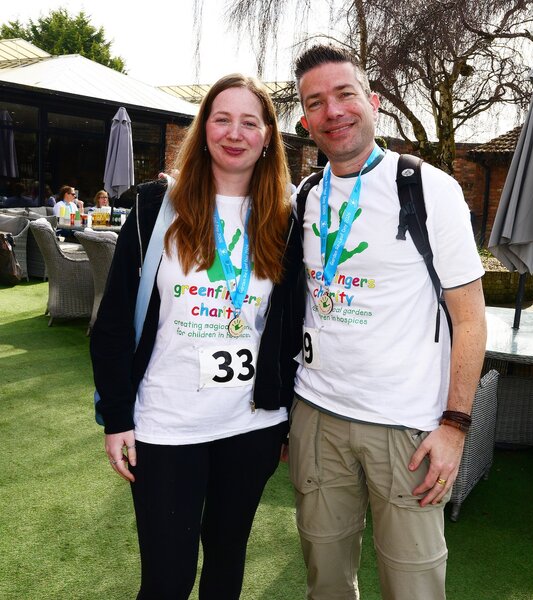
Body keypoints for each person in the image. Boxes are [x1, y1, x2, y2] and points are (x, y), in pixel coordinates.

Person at [90, 73, 301, 600]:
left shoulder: (287, 217)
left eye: (249, 122)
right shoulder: (154, 207)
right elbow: (112, 323)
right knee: (167, 579)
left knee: (226, 565)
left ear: (268, 136)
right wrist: (116, 418)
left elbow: (291, 327)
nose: (235, 133)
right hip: (166, 424)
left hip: (251, 425)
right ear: (204, 128)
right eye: (221, 119)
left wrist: (288, 417)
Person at [288, 44, 487, 600]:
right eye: (316, 102)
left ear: (373, 102)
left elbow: (471, 319)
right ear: (306, 120)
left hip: (407, 427)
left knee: (413, 586)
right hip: (317, 416)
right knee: (326, 582)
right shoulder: (306, 195)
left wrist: (455, 426)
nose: (333, 111)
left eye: (344, 94)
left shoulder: (429, 189)